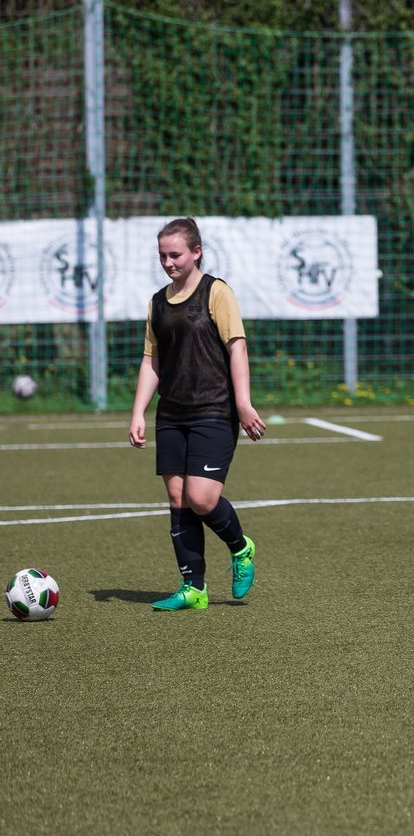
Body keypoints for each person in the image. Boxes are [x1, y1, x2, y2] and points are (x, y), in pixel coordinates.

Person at [129, 217, 265, 611]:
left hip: (214, 410)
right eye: (162, 256)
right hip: (171, 414)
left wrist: (243, 403)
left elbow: (237, 347)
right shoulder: (156, 302)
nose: (168, 262)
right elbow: (151, 360)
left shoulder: (216, 293)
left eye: (175, 255)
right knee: (177, 499)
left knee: (202, 499)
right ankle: (194, 588)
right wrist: (138, 412)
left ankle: (241, 549)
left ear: (196, 252)